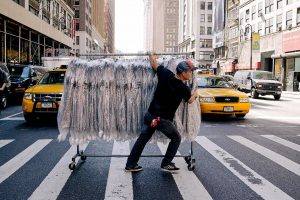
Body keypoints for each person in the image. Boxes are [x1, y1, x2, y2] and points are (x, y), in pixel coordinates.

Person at [125, 54, 198, 172]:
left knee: (142, 140)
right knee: (176, 138)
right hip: (161, 120)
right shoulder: (184, 88)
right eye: (190, 71)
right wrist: (195, 95)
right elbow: (189, 100)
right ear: (183, 72)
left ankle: (130, 164)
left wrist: (151, 55)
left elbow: (153, 64)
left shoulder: (165, 74)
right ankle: (166, 163)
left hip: (150, 116)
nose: (191, 74)